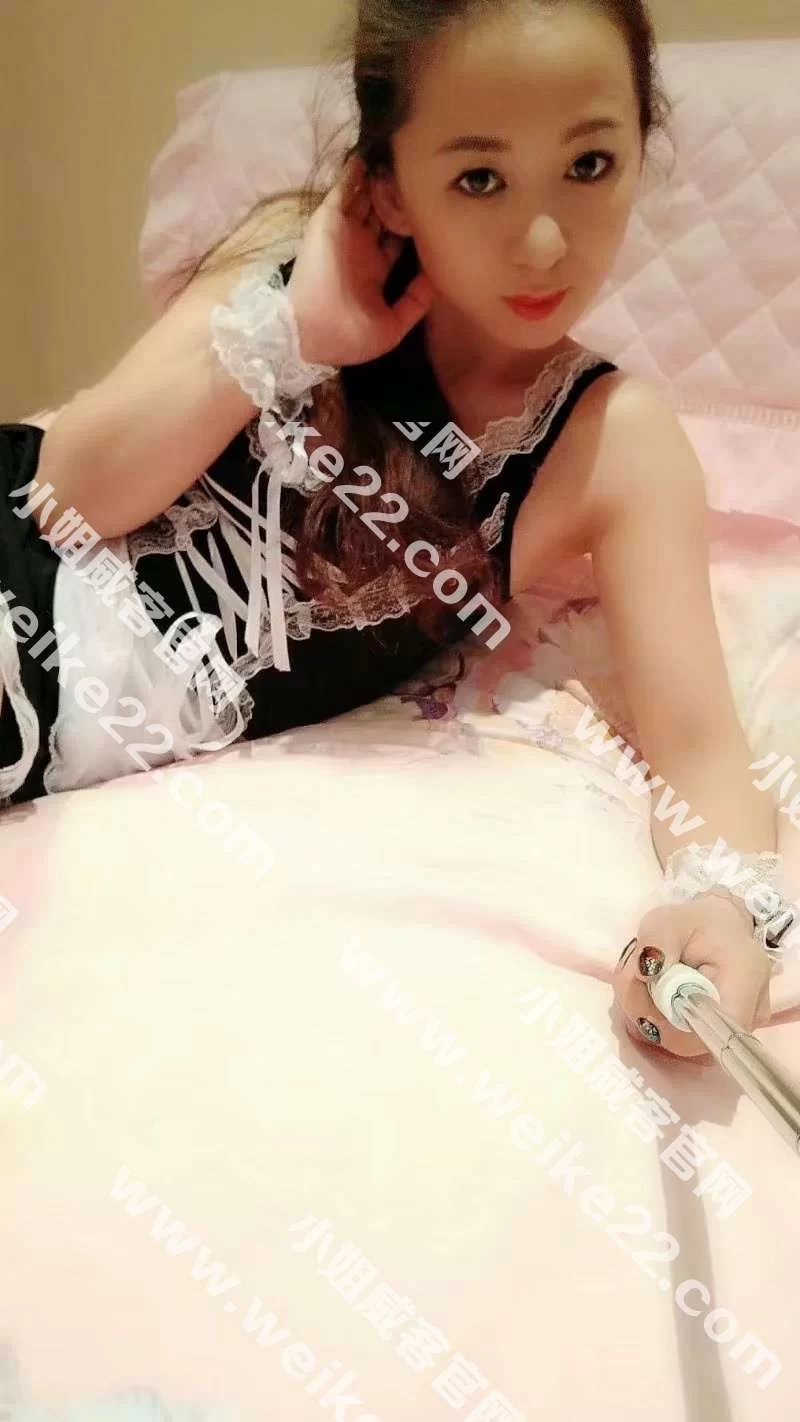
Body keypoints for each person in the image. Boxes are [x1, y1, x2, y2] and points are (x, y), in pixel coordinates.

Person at [0, 0, 794, 1057]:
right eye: (479, 179)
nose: (545, 241)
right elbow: (66, 493)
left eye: (589, 165)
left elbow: (699, 749)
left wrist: (722, 910)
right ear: (386, 185)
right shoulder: (287, 264)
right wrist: (299, 329)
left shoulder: (612, 441)